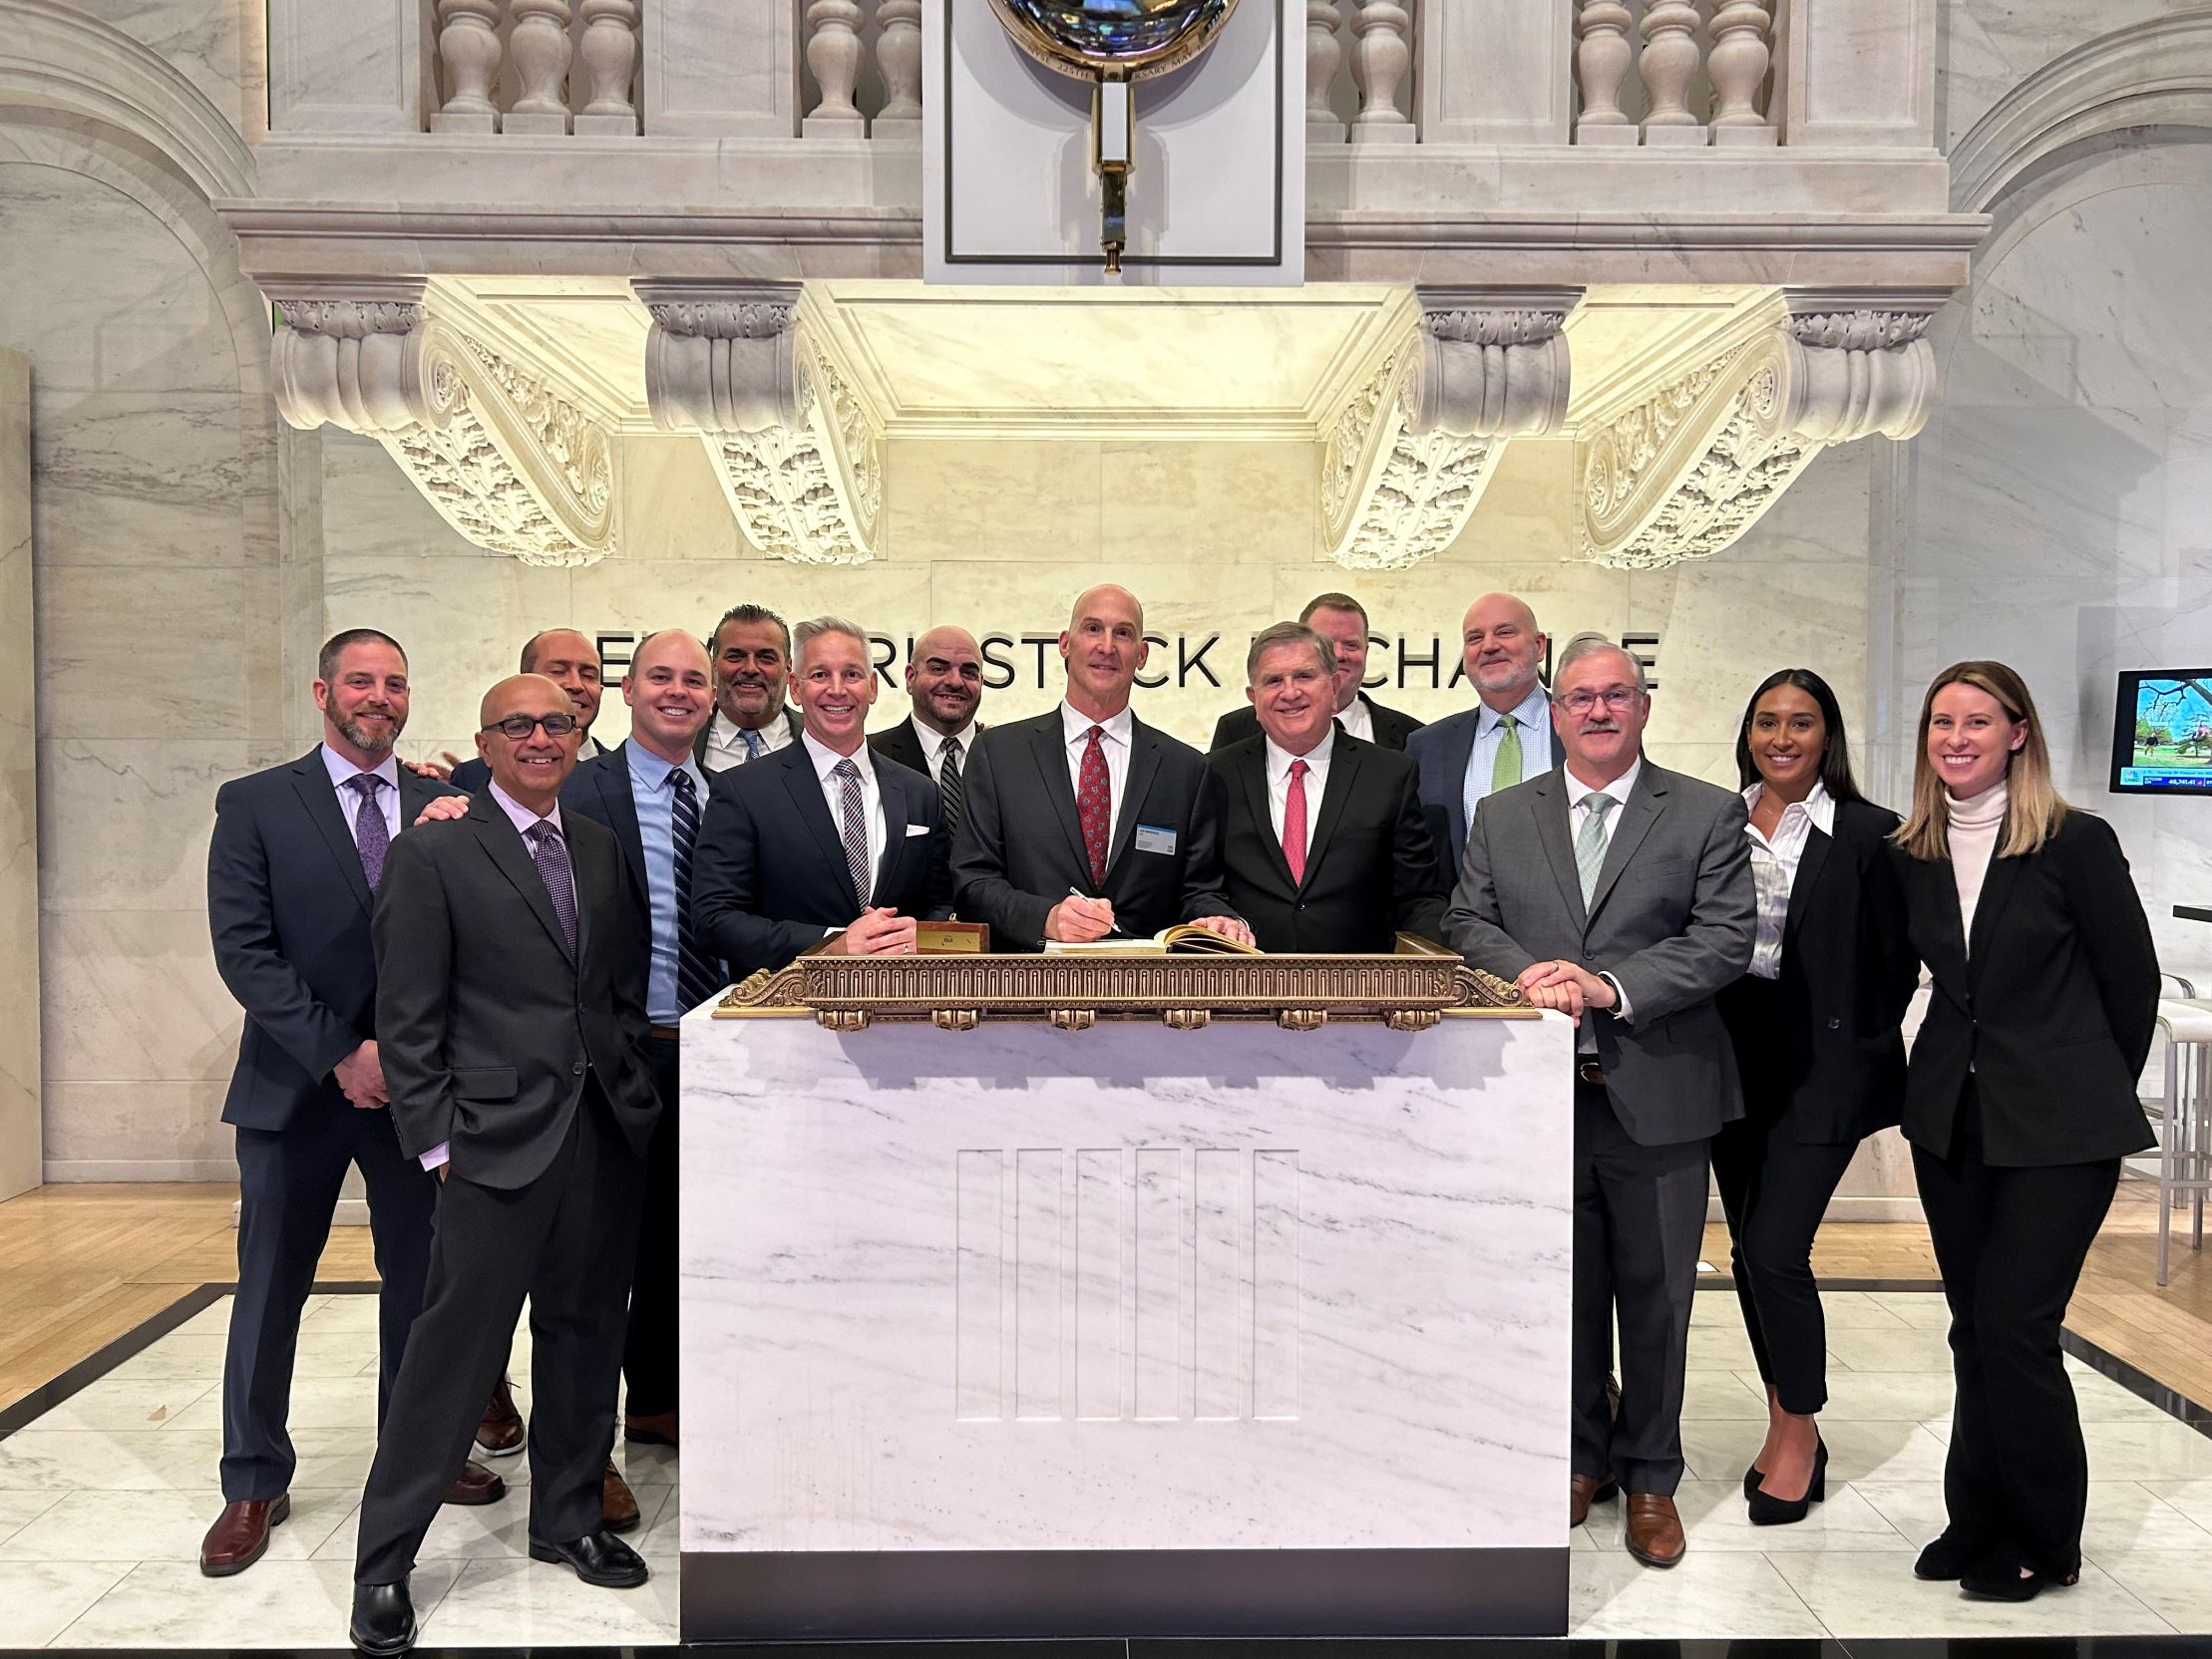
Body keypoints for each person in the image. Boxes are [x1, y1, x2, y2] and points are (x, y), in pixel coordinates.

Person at [349, 673, 660, 1657]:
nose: (540, 736)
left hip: (598, 1134)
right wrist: (436, 1138)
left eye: (556, 723)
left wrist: (631, 1100)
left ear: (578, 737)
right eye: (517, 724)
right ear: (482, 742)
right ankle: (383, 1561)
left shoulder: (602, 848)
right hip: (486, 1140)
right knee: (453, 1352)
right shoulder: (433, 846)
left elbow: (608, 988)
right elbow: (406, 1010)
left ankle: (566, 1516)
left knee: (582, 1335)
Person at [1442, 632, 1754, 1569]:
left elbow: (1725, 937)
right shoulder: (1504, 814)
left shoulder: (1703, 812)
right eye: (1580, 697)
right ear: (1556, 708)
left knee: (1657, 1297)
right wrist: (1530, 971)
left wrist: (1607, 984)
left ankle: (1653, 1475)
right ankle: (1582, 1460)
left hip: (1657, 1093)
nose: (1599, 711)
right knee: (1565, 1290)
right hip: (1539, 1099)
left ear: (1643, 706)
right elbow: (1466, 921)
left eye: (1616, 694)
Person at [199, 630, 502, 1578]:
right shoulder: (255, 803)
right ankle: (253, 1478)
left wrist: (401, 1061)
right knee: (270, 1287)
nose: (379, 697)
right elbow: (245, 950)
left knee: (421, 1285)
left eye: (396, 684)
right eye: (361, 682)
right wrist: (341, 1052)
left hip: (415, 1094)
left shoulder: (442, 805)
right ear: (323, 691)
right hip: (295, 1088)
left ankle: (414, 1457)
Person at [1889, 660, 2158, 1601]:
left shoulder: (2076, 842)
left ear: (2019, 733)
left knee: (2015, 1326)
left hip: (2061, 1129)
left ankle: (2048, 1537)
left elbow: (2135, 986)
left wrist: (2082, 1089)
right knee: (1976, 1330)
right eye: (1939, 723)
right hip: (1952, 1127)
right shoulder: (1910, 850)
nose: (1955, 738)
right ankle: (1978, 1519)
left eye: (1976, 721)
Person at [1714, 669, 1917, 1525]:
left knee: (1772, 1250)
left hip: (1823, 1072)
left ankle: (1799, 1430)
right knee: (1747, 1254)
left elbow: (1899, 963)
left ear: (1828, 736)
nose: (1783, 737)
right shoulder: (1716, 822)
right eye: (1767, 722)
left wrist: (1855, 1044)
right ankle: (1781, 1416)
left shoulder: (1877, 835)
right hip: (1728, 1064)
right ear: (1749, 734)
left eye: (1802, 723)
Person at [952, 584, 1251, 949]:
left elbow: (1200, 890)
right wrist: (1045, 918)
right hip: (1027, 989)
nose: (1106, 646)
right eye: (1092, 628)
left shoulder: (1186, 770)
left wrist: (1218, 919)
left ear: (1141, 654)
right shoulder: (997, 755)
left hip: (1147, 993)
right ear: (1065, 643)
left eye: (1122, 633)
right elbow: (972, 883)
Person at [692, 617, 954, 977]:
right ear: (796, 689)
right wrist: (833, 944)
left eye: (852, 675)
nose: (837, 689)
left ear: (873, 687)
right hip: (788, 1016)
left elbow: (943, 902)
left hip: (902, 1016)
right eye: (819, 675)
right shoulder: (742, 791)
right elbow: (714, 921)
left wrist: (923, 936)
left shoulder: (920, 792)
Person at [1208, 621, 1447, 952]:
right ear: (1254, 699)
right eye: (1273, 680)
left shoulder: (1390, 773)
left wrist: (1435, 966)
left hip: (1361, 990)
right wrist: (1217, 916)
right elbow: (1199, 886)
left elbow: (1419, 897)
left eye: (1304, 676)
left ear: (1334, 688)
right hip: (1244, 987)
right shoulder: (1215, 773)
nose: (1290, 692)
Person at [1409, 592, 1564, 869]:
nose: (1489, 646)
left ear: (1540, 646)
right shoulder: (1427, 747)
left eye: (1505, 632)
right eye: (1475, 638)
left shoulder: (1586, 729)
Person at [1210, 592, 1423, 753]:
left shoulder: (1412, 736)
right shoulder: (1235, 730)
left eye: (1351, 645)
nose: (1339, 654)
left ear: (1366, 651)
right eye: (1326, 643)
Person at [448, 630, 605, 789]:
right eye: (558, 671)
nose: (576, 685)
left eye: (588, 675)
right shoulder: (472, 778)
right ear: (526, 681)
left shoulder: (625, 775)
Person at [870, 624, 983, 836]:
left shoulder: (1009, 759)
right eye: (938, 669)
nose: (955, 681)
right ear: (911, 677)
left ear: (981, 682)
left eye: (968, 672)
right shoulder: (870, 756)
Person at [697, 602, 802, 772]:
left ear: (788, 668)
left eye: (766, 657)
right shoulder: (682, 739)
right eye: (735, 656)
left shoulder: (819, 738)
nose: (750, 668)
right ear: (713, 665)